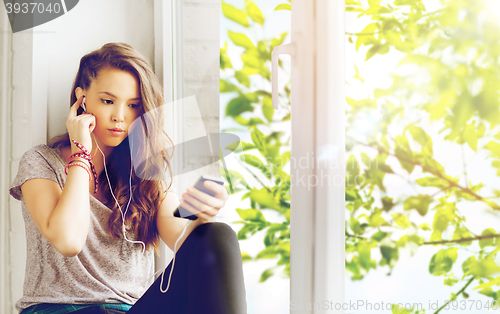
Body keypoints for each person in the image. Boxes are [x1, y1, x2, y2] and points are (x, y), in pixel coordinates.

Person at [9, 42, 247, 314]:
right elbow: (68, 241)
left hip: (130, 310)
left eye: (133, 105)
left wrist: (203, 214)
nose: (119, 117)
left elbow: (183, 239)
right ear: (82, 98)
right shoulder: (41, 162)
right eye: (108, 101)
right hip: (60, 310)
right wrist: (81, 153)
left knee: (218, 235)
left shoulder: (146, 175)